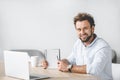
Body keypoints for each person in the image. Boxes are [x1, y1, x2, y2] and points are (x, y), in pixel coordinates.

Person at [41, 13, 113, 80]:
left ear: (92, 29)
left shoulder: (103, 47)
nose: (82, 32)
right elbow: (70, 60)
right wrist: (58, 63)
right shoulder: (78, 43)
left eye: (85, 28)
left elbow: (95, 69)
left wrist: (69, 67)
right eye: (79, 29)